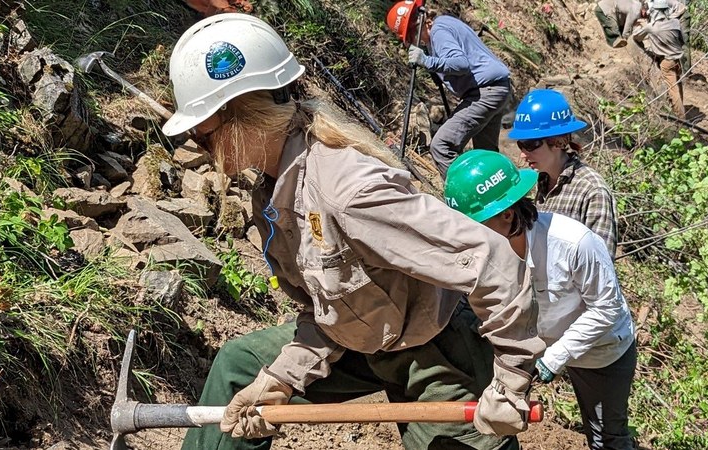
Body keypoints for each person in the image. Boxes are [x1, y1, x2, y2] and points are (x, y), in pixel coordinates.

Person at [161, 14, 543, 450]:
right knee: (240, 369)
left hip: (432, 348)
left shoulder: (348, 189)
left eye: (201, 130)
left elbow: (493, 262)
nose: (194, 141)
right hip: (362, 341)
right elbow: (324, 310)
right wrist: (282, 378)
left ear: (244, 114)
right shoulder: (274, 193)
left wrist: (510, 383)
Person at [444, 150, 637, 450]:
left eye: (474, 225)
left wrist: (556, 357)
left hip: (602, 350)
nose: (467, 236)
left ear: (507, 214)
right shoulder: (486, 254)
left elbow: (606, 309)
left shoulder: (573, 243)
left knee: (605, 436)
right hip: (547, 339)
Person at [387, 0, 513, 179]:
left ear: (414, 28)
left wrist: (427, 61)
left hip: (486, 91)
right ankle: (502, 195)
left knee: (441, 146)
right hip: (496, 87)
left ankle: (466, 195)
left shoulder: (438, 32)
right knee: (487, 154)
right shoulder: (442, 26)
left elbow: (460, 64)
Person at [508, 89, 619, 259]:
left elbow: (601, 265)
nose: (523, 154)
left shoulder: (592, 191)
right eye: (520, 145)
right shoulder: (541, 181)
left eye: (530, 144)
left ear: (558, 142)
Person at [632, 0, 687, 119]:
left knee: (673, 90)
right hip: (678, 59)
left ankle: (682, 120)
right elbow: (682, 41)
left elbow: (636, 37)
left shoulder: (652, 27)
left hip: (666, 62)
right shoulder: (675, 22)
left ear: (654, 11)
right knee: (678, 85)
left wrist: (639, 26)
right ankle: (681, 109)